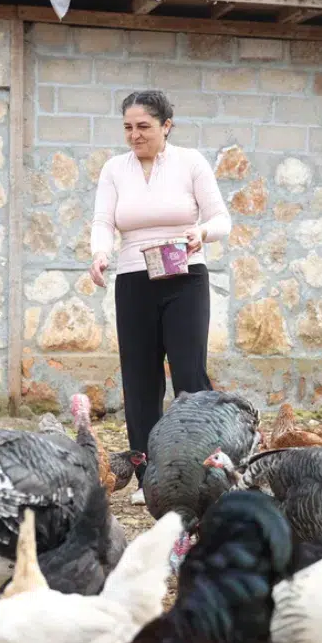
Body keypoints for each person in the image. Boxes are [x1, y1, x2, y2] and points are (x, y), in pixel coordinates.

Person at [89, 90, 231, 505]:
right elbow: (103, 221)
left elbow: (221, 218)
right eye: (128, 128)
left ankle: (205, 469)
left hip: (185, 276)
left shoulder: (191, 163)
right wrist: (100, 253)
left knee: (189, 375)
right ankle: (149, 475)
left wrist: (201, 233)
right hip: (134, 279)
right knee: (139, 380)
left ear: (166, 125)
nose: (135, 135)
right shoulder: (115, 169)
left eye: (144, 127)